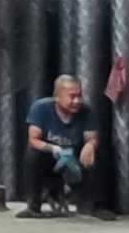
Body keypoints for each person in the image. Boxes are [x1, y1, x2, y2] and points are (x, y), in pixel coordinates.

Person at [19, 71, 103, 217]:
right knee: (33, 153)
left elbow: (92, 138)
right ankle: (33, 206)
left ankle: (91, 205)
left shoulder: (87, 112)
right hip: (50, 158)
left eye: (79, 96)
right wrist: (54, 149)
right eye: (72, 97)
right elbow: (33, 139)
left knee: (96, 153)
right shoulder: (40, 108)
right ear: (57, 96)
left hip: (74, 160)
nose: (77, 101)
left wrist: (90, 145)